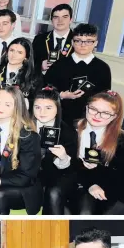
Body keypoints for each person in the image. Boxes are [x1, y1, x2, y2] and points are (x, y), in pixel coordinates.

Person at [0, 87, 42, 215]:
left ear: (17, 108)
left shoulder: (27, 136)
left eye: (7, 104)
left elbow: (26, 177)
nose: (0, 107)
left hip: (21, 187)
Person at [74, 91, 124, 215]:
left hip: (115, 189)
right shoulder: (72, 130)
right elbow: (68, 167)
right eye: (93, 109)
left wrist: (99, 168)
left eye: (106, 113)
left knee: (108, 217)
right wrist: (90, 184)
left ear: (114, 116)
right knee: (84, 211)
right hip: (81, 184)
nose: (97, 115)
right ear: (86, 108)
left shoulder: (123, 141)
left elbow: (123, 176)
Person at [44, 23, 112, 125]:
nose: (83, 45)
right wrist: (62, 95)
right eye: (78, 40)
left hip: (89, 119)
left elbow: (105, 98)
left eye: (89, 41)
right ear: (72, 42)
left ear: (96, 43)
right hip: (59, 116)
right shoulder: (59, 64)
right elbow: (45, 89)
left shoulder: (103, 68)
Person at [32, 86, 77, 215]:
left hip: (57, 176)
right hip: (30, 176)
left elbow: (71, 169)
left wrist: (63, 158)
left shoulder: (67, 132)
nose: (42, 112)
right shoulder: (24, 127)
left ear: (57, 109)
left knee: (54, 192)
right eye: (37, 107)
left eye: (48, 107)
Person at [0, 37, 41, 110]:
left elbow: (36, 102)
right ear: (6, 53)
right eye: (12, 50)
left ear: (26, 57)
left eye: (19, 52)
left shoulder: (34, 77)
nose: (14, 55)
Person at [32, 4, 74, 74]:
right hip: (42, 82)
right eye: (56, 17)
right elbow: (30, 63)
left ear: (71, 20)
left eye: (64, 17)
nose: (60, 20)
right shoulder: (39, 39)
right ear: (51, 20)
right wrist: (40, 66)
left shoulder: (78, 41)